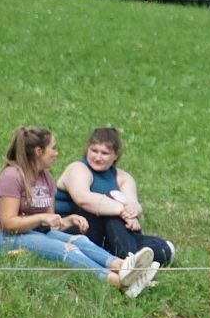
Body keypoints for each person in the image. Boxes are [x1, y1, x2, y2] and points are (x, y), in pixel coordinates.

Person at [0, 126, 153, 297]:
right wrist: (41, 217)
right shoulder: (12, 176)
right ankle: (120, 283)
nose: (56, 153)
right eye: (53, 148)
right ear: (38, 152)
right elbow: (8, 224)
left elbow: (51, 223)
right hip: (5, 237)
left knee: (80, 240)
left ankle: (123, 267)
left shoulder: (46, 178)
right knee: (67, 249)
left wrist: (69, 220)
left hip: (37, 231)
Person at [55, 127, 173, 296]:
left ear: (116, 155)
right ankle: (130, 264)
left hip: (108, 235)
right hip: (75, 227)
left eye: (104, 153)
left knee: (163, 248)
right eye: (94, 150)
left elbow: (134, 204)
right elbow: (83, 198)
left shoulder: (122, 177)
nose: (97, 157)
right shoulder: (78, 169)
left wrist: (132, 212)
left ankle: (131, 261)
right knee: (111, 204)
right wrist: (121, 210)